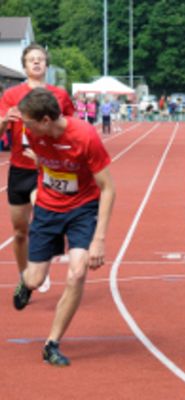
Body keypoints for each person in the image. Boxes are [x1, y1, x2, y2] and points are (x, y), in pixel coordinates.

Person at [12, 88, 115, 366]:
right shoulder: (33, 133)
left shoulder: (85, 137)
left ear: (45, 120)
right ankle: (26, 282)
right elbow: (41, 163)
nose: (25, 126)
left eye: (29, 121)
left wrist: (99, 240)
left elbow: (108, 189)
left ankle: (52, 343)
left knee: (78, 272)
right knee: (35, 279)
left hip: (82, 209)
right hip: (47, 209)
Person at [0, 44, 75, 295]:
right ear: (24, 65)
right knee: (20, 232)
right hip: (19, 169)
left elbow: (70, 128)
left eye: (40, 59)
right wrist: (4, 120)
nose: (36, 63)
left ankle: (39, 268)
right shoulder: (11, 95)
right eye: (31, 59)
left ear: (46, 64)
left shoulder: (59, 95)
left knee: (40, 220)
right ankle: (25, 279)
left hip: (47, 167)